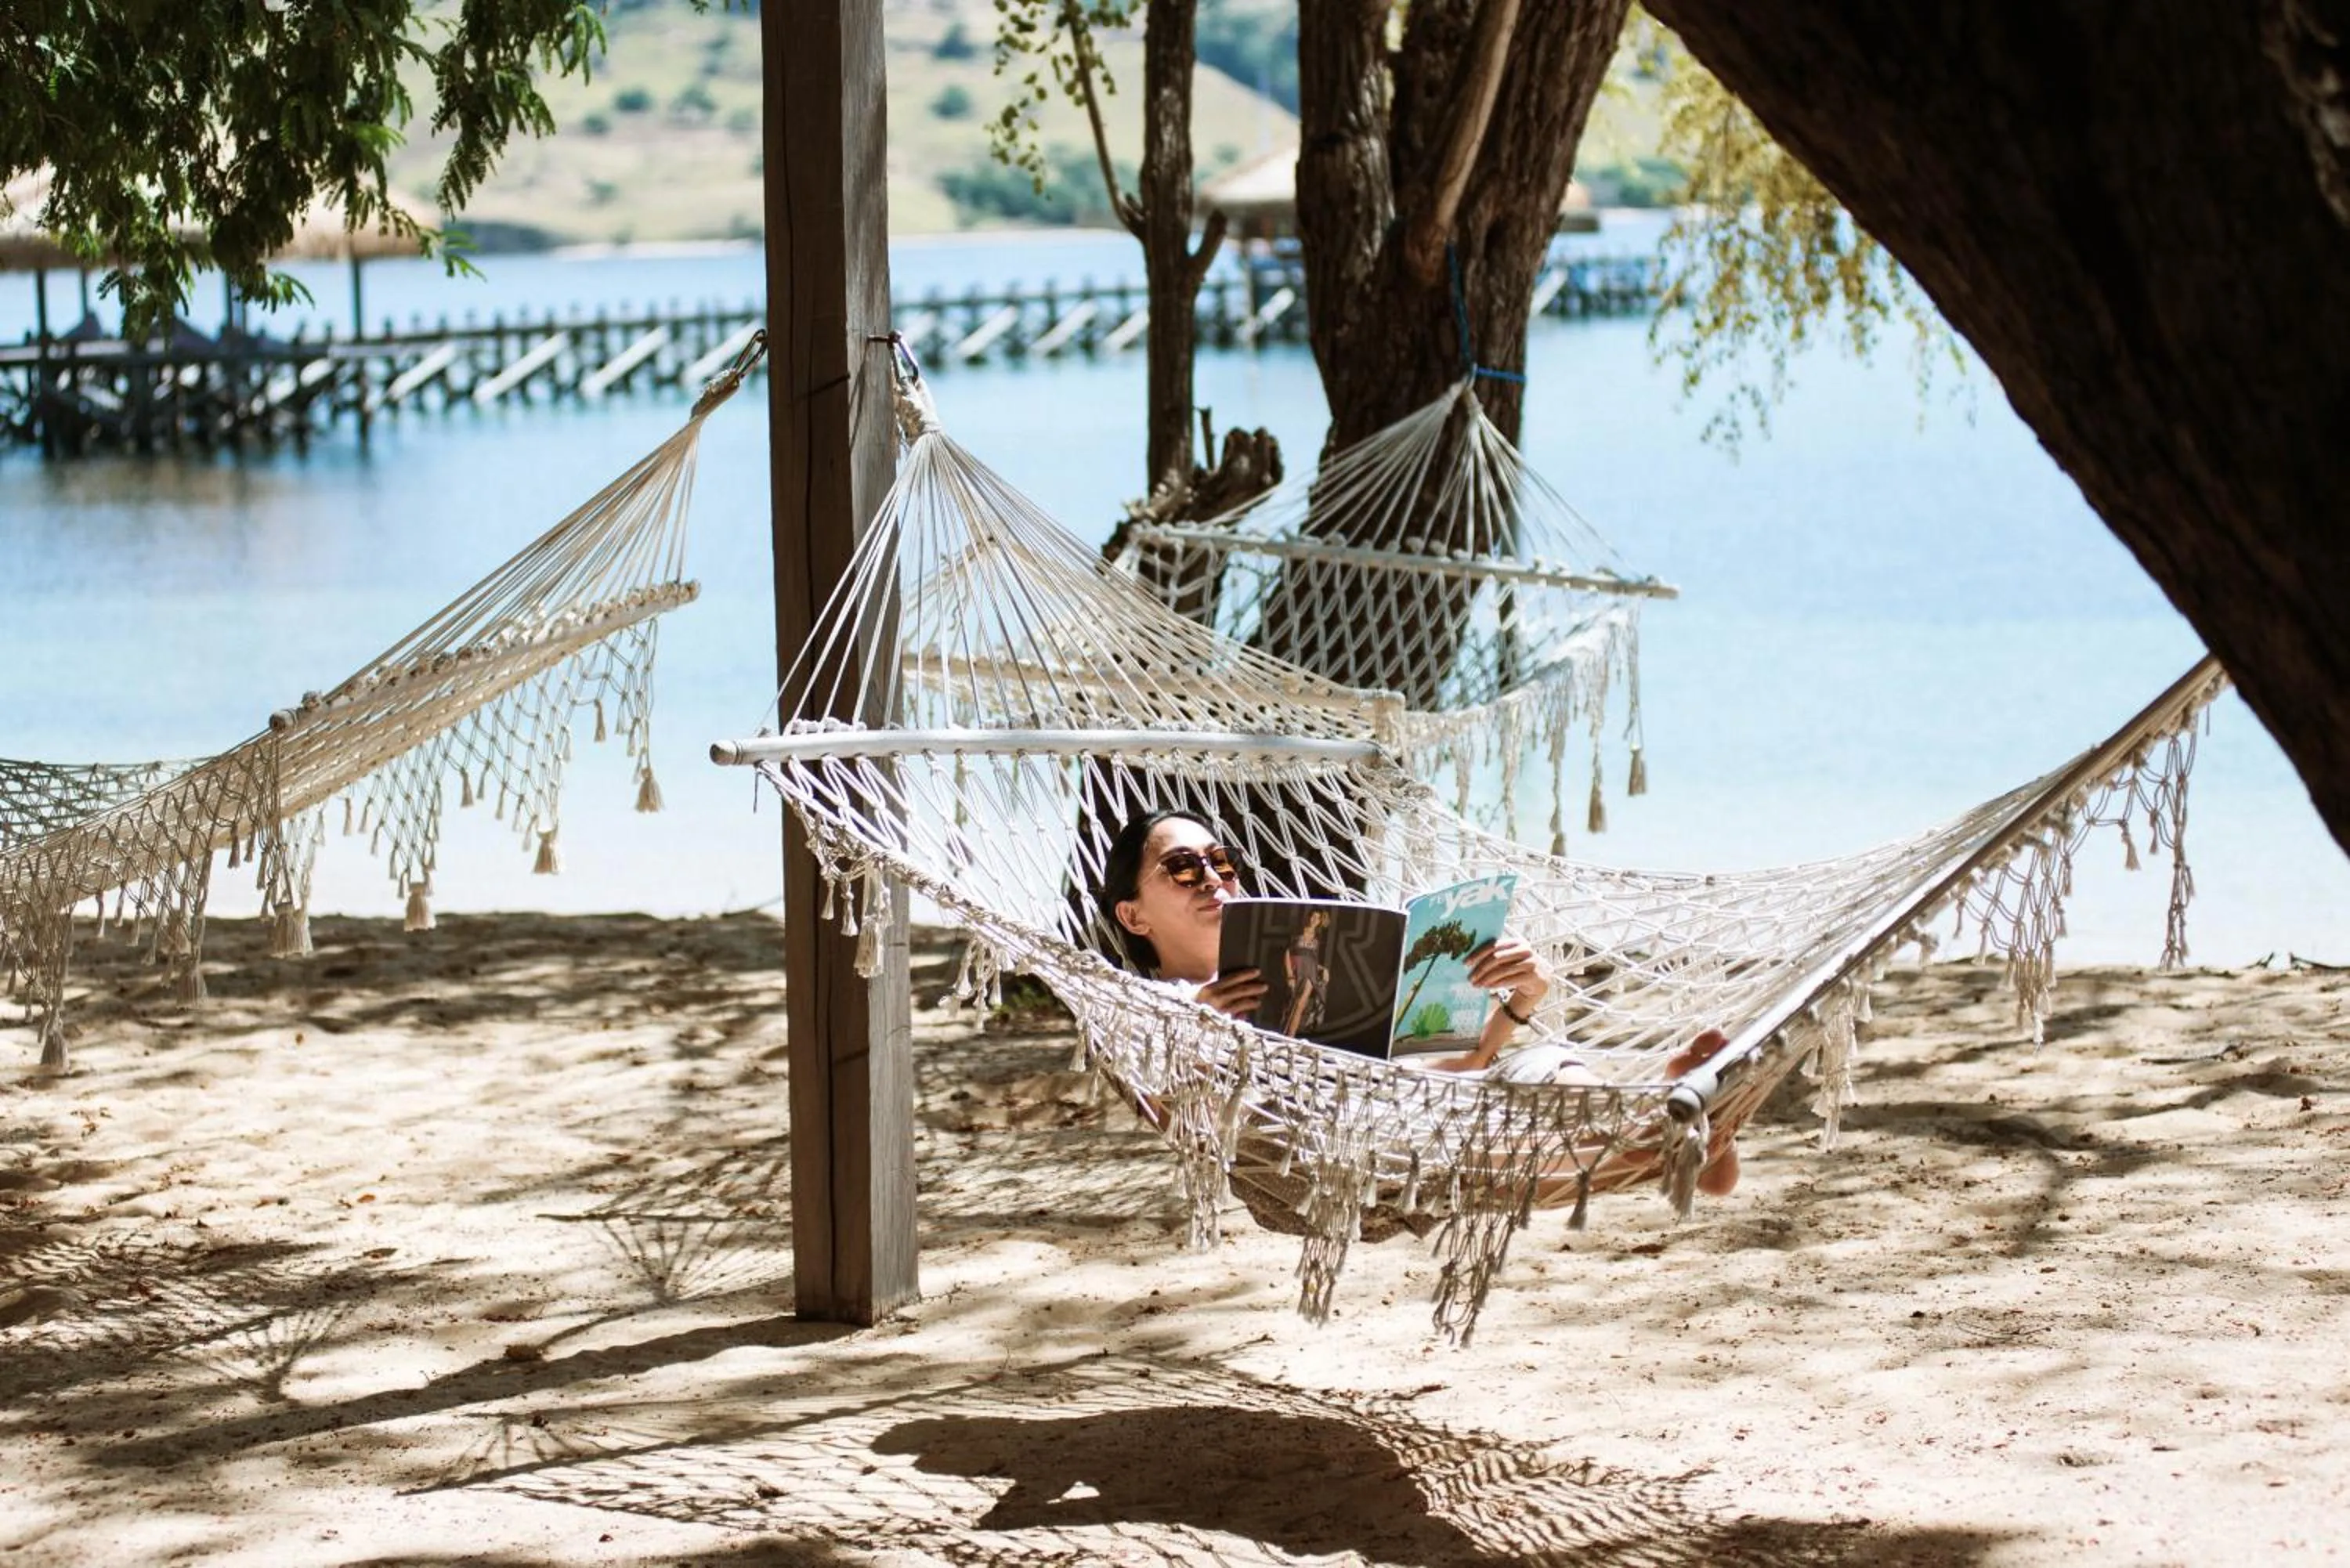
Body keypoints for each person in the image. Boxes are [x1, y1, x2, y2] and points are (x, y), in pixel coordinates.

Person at [1096, 807, 1739, 1196]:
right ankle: (1669, 1141)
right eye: (1182, 868)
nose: (1212, 879)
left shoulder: (1298, 958)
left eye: (1221, 862)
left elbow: (1449, 1067)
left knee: (1545, 1066)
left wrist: (1521, 997)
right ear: (1134, 914)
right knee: (1461, 1132)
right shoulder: (1142, 1009)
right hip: (1336, 1151)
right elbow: (1166, 1108)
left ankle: (1660, 1142)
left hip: (1427, 1103)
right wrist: (1204, 1028)